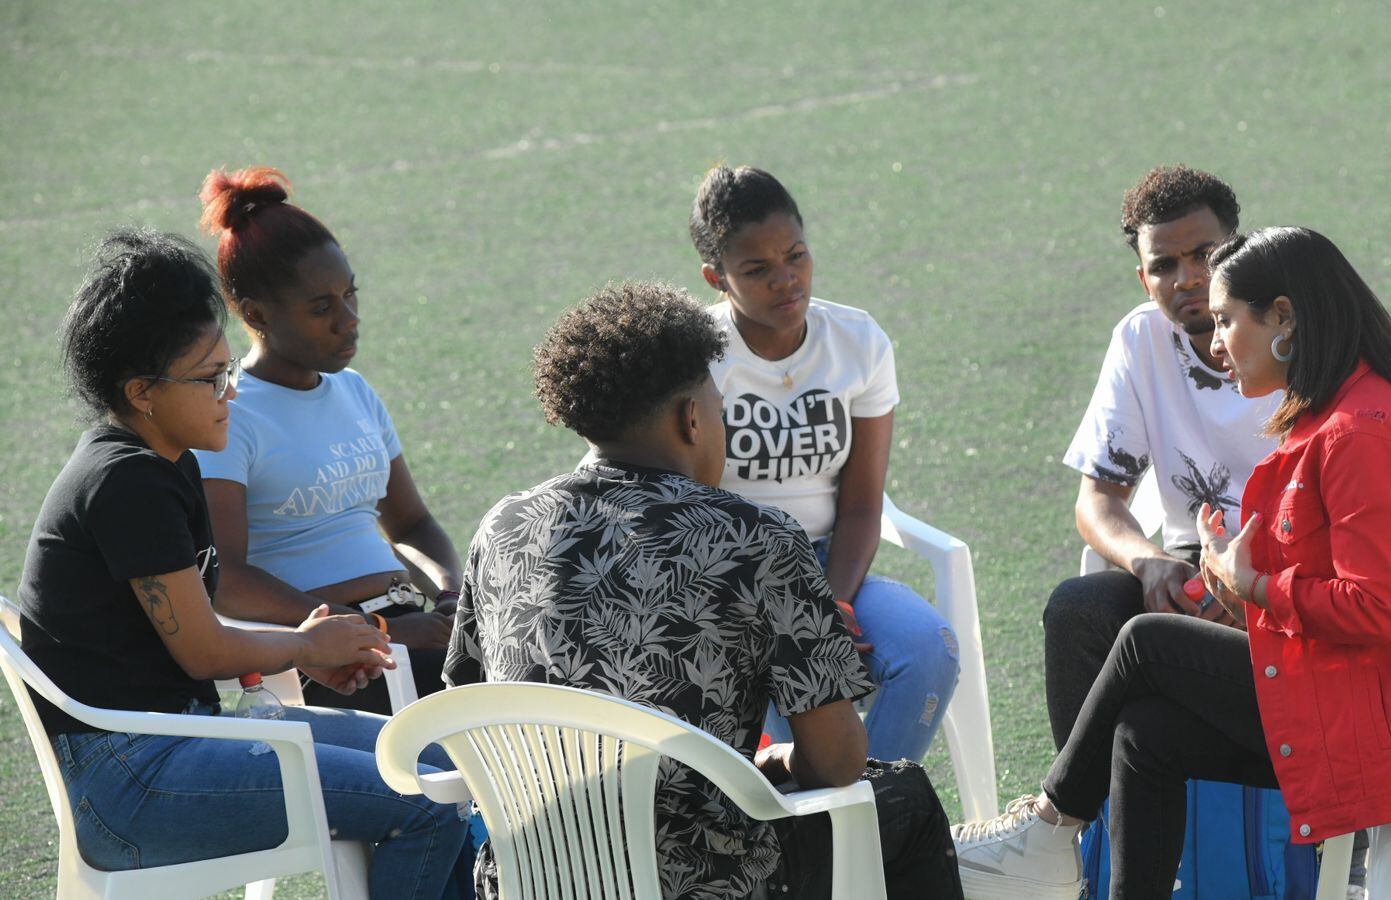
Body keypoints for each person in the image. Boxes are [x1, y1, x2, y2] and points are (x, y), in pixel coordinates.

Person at [949, 226, 1391, 899]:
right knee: (1148, 734)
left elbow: (1375, 610)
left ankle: (1052, 832)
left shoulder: (1361, 434)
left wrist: (1256, 583)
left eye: (1228, 321)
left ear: (1284, 318)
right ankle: (1067, 853)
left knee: (1145, 642)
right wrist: (1246, 594)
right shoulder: (1353, 410)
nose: (1215, 344)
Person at [444, 282, 963, 900]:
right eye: (719, 405)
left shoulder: (503, 527)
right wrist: (774, 761)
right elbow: (838, 761)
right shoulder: (755, 538)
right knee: (904, 794)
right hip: (705, 881)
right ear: (692, 418)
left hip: (535, 876)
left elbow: (469, 711)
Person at [15, 229, 469, 896]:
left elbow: (187, 635)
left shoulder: (164, 463)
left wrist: (306, 652)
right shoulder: (126, 483)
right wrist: (306, 643)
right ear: (142, 391)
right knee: (425, 799)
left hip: (175, 743)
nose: (232, 392)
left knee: (431, 761)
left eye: (228, 371)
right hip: (136, 779)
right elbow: (202, 651)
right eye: (210, 379)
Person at [689, 165, 960, 763]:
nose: (786, 281)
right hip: (727, 572)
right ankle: (809, 836)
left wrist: (830, 604)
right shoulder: (696, 357)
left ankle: (873, 816)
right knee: (780, 678)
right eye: (756, 270)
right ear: (717, 277)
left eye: (797, 256)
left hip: (826, 563)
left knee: (928, 646)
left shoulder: (858, 342)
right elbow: (681, 502)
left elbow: (862, 503)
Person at [193, 166, 460, 714]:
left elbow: (412, 525)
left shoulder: (355, 392)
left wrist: (455, 595)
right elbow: (227, 579)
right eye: (322, 308)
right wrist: (363, 628)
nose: (350, 319)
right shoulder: (230, 415)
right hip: (336, 662)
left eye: (350, 294)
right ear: (256, 314)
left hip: (406, 625)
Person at [1044, 165, 1279, 751]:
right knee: (1077, 609)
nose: (1188, 278)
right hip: (1193, 564)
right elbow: (1097, 500)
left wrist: (1246, 582)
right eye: (1164, 266)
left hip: (1293, 571)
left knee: (1149, 686)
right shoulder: (1140, 339)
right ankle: (1077, 830)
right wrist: (1149, 563)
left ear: (1239, 249)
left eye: (1205, 254)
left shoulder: (1287, 329)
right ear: (1143, 278)